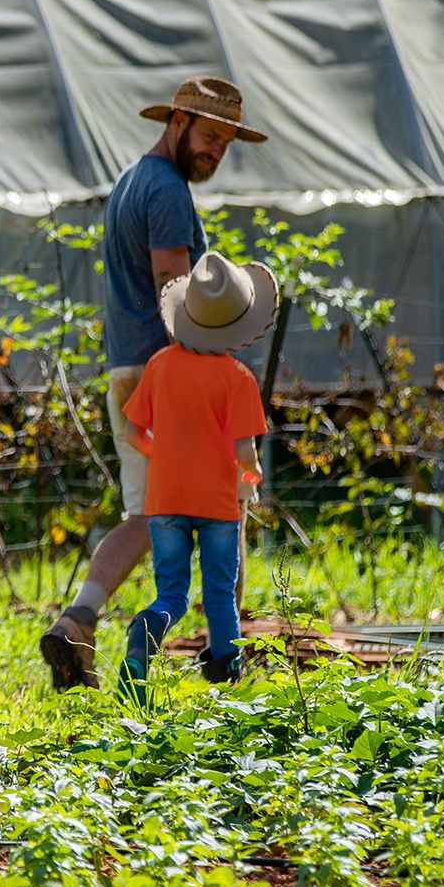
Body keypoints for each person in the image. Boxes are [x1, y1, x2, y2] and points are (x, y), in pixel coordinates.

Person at [41, 76, 268, 691]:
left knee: (147, 514)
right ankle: (229, 662)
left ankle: (78, 623)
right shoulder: (167, 192)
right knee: (219, 505)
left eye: (226, 142)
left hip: (129, 370)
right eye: (209, 135)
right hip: (161, 374)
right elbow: (174, 291)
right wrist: (208, 381)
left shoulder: (133, 180)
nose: (216, 151)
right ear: (176, 122)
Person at [116, 252, 276, 693]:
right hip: (217, 504)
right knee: (220, 592)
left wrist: (163, 454)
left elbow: (133, 431)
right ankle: (225, 676)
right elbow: (245, 451)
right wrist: (253, 474)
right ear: (237, 324)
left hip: (166, 499)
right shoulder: (237, 379)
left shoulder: (159, 365)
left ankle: (144, 633)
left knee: (173, 594)